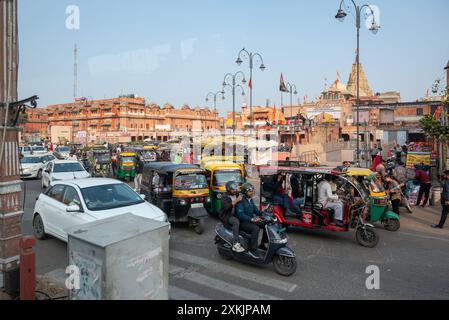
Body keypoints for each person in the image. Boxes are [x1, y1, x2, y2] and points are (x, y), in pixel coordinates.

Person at [235, 183, 266, 258]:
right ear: (245, 192)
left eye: (252, 191)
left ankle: (262, 244)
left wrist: (264, 212)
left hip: (251, 221)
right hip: (243, 222)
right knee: (255, 228)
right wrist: (252, 219)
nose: (252, 193)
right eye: (250, 191)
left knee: (265, 224)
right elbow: (240, 215)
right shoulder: (240, 201)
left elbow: (256, 211)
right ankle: (253, 250)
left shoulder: (250, 200)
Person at [219, 182, 245, 253]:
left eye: (235, 189)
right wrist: (237, 200)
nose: (235, 190)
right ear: (228, 189)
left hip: (235, 214)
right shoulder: (224, 197)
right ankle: (235, 244)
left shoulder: (236, 194)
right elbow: (227, 207)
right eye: (233, 189)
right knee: (235, 221)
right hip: (226, 216)